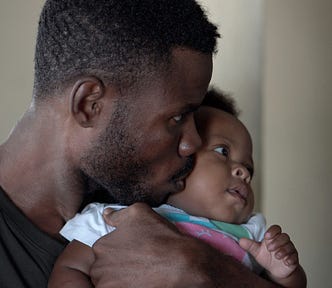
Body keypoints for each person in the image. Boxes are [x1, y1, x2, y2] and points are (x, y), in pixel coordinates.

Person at [0, 0, 285, 287]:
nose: (193, 143)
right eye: (178, 117)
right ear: (89, 104)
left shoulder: (160, 196)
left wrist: (212, 271)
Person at [49, 89, 306, 288]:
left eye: (249, 168)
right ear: (179, 161)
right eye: (223, 151)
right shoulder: (120, 217)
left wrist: (286, 272)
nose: (243, 173)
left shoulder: (253, 233)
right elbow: (70, 269)